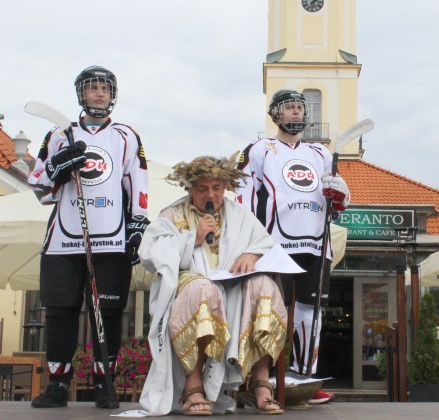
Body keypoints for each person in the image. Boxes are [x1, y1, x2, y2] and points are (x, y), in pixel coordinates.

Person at [28, 65, 150, 409]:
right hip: (64, 238)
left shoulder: (126, 135)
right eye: (92, 88)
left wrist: (137, 224)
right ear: (80, 94)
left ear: (113, 96)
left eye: (105, 89)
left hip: (110, 239)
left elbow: (137, 182)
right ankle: (57, 385)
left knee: (108, 312)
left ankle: (102, 384)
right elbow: (39, 185)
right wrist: (57, 169)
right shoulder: (58, 135)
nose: (99, 94)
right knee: (60, 310)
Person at [137, 154, 287, 416]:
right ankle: (193, 386)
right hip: (191, 287)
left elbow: (265, 244)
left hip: (233, 289)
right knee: (201, 289)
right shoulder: (171, 215)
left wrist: (251, 255)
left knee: (265, 286)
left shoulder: (239, 214)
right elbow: (149, 253)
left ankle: (260, 381)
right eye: (202, 188)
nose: (211, 195)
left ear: (225, 188)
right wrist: (191, 239)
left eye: (216, 188)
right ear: (190, 189)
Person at [235, 89, 350, 404]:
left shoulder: (321, 154)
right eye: (289, 108)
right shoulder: (259, 149)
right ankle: (264, 379)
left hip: (316, 243)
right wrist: (247, 242)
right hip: (274, 244)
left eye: (300, 108)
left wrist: (340, 197)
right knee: (270, 312)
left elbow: (339, 198)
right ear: (275, 114)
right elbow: (242, 197)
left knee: (311, 314)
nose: (297, 113)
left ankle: (304, 378)